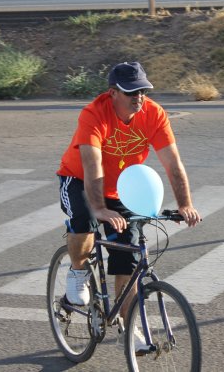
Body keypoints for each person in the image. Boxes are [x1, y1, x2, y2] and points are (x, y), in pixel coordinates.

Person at [56, 62, 201, 344]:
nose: (139, 97)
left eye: (143, 91)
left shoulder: (154, 114)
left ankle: (128, 324)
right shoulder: (93, 114)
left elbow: (173, 163)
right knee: (84, 223)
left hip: (123, 186)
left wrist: (185, 204)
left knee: (128, 256)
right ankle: (77, 272)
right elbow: (92, 166)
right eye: (132, 92)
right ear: (113, 93)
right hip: (78, 178)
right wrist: (99, 209)